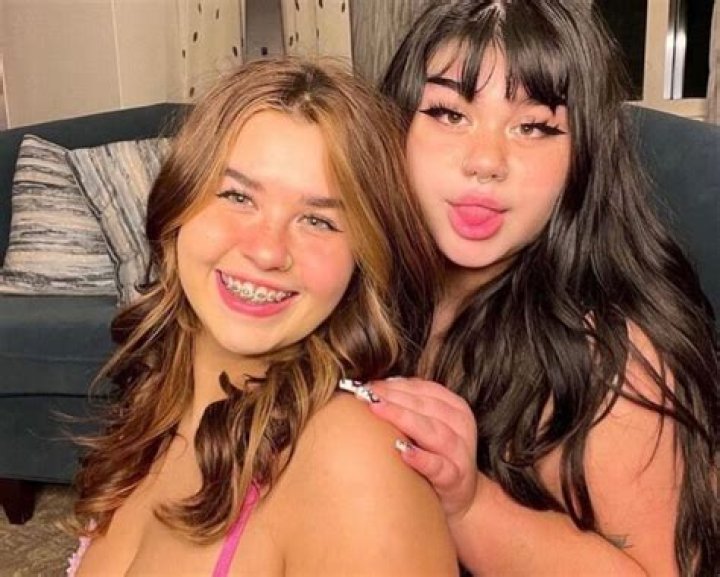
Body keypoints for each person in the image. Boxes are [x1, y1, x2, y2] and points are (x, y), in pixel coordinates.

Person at [364, 1, 719, 576]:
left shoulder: (610, 360)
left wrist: (467, 505)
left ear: (583, 158)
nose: (485, 161)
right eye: (449, 113)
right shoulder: (359, 287)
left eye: (533, 126)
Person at [67, 57, 458, 576]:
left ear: (363, 257)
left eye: (317, 220)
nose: (268, 250)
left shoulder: (354, 462)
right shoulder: (157, 411)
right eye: (237, 196)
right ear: (177, 206)